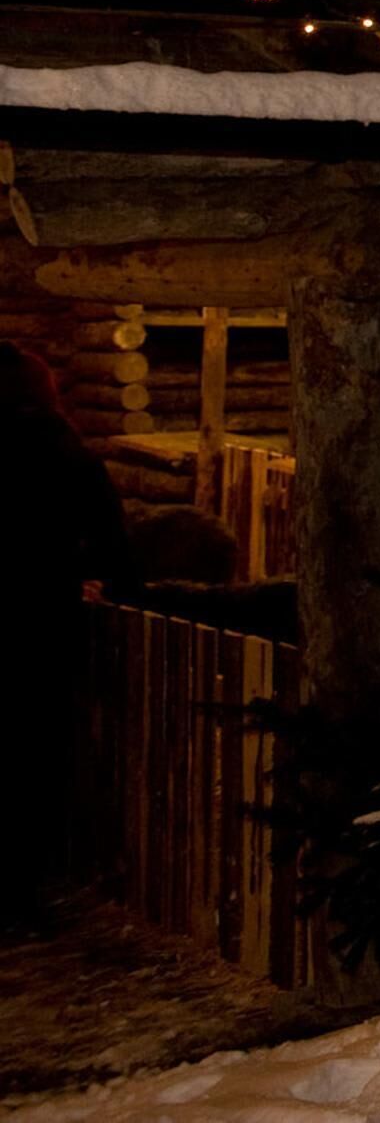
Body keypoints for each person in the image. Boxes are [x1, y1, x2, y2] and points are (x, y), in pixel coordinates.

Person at [0, 342, 139, 924]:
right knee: (31, 756)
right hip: (36, 621)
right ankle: (16, 892)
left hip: (32, 612)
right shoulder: (63, 450)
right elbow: (111, 541)